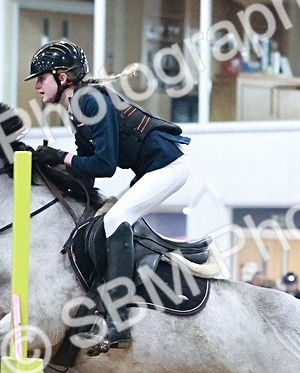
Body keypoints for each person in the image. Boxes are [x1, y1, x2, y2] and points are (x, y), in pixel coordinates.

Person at [26, 40, 191, 353]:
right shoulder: (77, 109)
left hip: (169, 166)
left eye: (41, 77)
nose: (36, 85)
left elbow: (104, 165)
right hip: (152, 168)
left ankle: (119, 320)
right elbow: (86, 171)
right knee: (103, 220)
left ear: (62, 78)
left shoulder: (89, 101)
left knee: (116, 219)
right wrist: (43, 170)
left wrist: (59, 156)